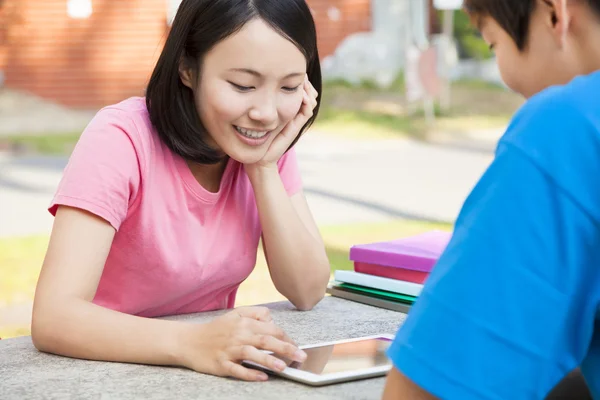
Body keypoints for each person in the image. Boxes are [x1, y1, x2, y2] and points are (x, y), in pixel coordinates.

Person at [31, 0, 330, 382]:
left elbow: (307, 290)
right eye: (243, 85)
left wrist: (264, 168)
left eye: (289, 87)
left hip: (197, 375)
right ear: (187, 69)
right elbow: (54, 317)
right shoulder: (121, 139)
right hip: (98, 372)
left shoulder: (265, 147)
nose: (267, 113)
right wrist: (192, 343)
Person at [383, 0, 600, 398]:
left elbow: (425, 391)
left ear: (555, 13)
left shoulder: (567, 127)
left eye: (492, 43)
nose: (506, 78)